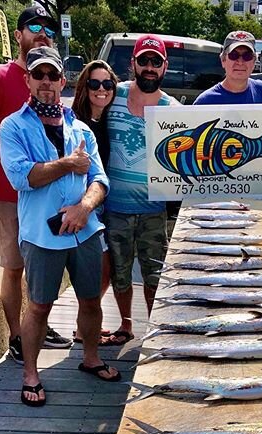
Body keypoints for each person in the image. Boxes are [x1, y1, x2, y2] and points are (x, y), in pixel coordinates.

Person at [0, 46, 118, 408]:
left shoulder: (80, 128)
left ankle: (91, 356)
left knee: (91, 299)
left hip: (84, 230)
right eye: (39, 75)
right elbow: (22, 177)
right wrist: (69, 164)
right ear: (28, 80)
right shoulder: (12, 126)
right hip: (41, 235)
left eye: (53, 75)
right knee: (38, 306)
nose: (46, 82)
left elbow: (99, 179)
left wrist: (84, 207)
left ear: (63, 81)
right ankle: (31, 374)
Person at [0, 5, 71, 365]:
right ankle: (15, 335)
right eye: (34, 26)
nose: (42, 32)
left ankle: (36, 325)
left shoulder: (48, 79)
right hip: (9, 197)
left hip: (43, 194)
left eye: (49, 29)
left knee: (41, 264)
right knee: (13, 267)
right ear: (18, 34)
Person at [102, 34, 179, 347]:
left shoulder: (172, 108)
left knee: (154, 275)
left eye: (155, 62)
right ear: (132, 63)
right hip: (114, 207)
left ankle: (155, 331)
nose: (149, 67)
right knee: (120, 273)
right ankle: (125, 324)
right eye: (143, 61)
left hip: (153, 210)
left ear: (164, 67)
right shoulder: (111, 95)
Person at [71, 59, 118, 341]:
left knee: (103, 269)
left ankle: (86, 324)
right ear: (84, 87)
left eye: (107, 84)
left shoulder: (108, 117)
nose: (101, 90)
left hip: (102, 203)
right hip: (84, 206)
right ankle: (83, 327)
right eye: (94, 84)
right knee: (99, 270)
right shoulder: (76, 123)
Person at [194, 31, 262, 105]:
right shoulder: (205, 102)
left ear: (254, 62)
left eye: (247, 56)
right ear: (223, 60)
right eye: (233, 55)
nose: (240, 62)